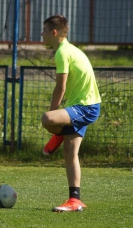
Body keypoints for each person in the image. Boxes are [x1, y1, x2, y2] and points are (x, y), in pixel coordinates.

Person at [41, 15, 101, 212]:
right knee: (70, 152)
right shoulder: (69, 49)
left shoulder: (62, 52)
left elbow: (61, 87)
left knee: (47, 119)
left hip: (86, 107)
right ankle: (75, 200)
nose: (42, 34)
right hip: (84, 106)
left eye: (44, 31)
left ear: (54, 32)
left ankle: (58, 133)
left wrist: (53, 115)